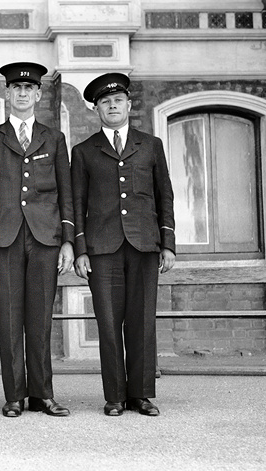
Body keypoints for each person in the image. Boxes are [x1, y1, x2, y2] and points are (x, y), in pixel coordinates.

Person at [0, 62, 75, 418]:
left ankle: (42, 394)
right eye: (16, 88)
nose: (22, 93)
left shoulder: (54, 138)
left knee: (41, 319)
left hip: (45, 238)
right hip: (4, 239)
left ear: (38, 95)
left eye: (28, 88)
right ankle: (14, 395)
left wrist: (68, 241)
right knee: (9, 318)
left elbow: (66, 192)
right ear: (7, 93)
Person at [71, 73, 175, 417]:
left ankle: (141, 395)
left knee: (142, 321)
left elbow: (164, 195)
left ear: (129, 105)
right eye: (105, 102)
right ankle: (114, 395)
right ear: (96, 110)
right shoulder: (84, 152)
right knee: (109, 323)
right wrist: (81, 250)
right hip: (102, 249)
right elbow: (76, 204)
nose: (112, 106)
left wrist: (168, 243)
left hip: (144, 245)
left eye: (117, 100)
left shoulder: (151, 145)